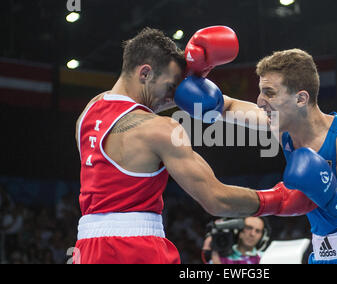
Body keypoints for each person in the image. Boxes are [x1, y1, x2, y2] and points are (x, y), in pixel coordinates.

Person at [73, 27, 317, 264]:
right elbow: (216, 200)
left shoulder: (90, 111)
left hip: (86, 248)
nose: (173, 98)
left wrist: (192, 80)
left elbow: (208, 105)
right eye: (171, 87)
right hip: (135, 248)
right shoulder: (159, 129)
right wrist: (279, 200)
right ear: (145, 73)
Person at [178, 47, 337, 264]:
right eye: (260, 91)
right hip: (322, 256)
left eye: (270, 93)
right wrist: (188, 78)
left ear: (301, 99)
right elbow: (226, 106)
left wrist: (331, 195)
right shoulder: (281, 127)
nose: (259, 101)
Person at [202, 217, 269, 264]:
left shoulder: (266, 258)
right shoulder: (219, 257)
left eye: (257, 231)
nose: (252, 234)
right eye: (248, 228)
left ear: (262, 237)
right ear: (238, 231)